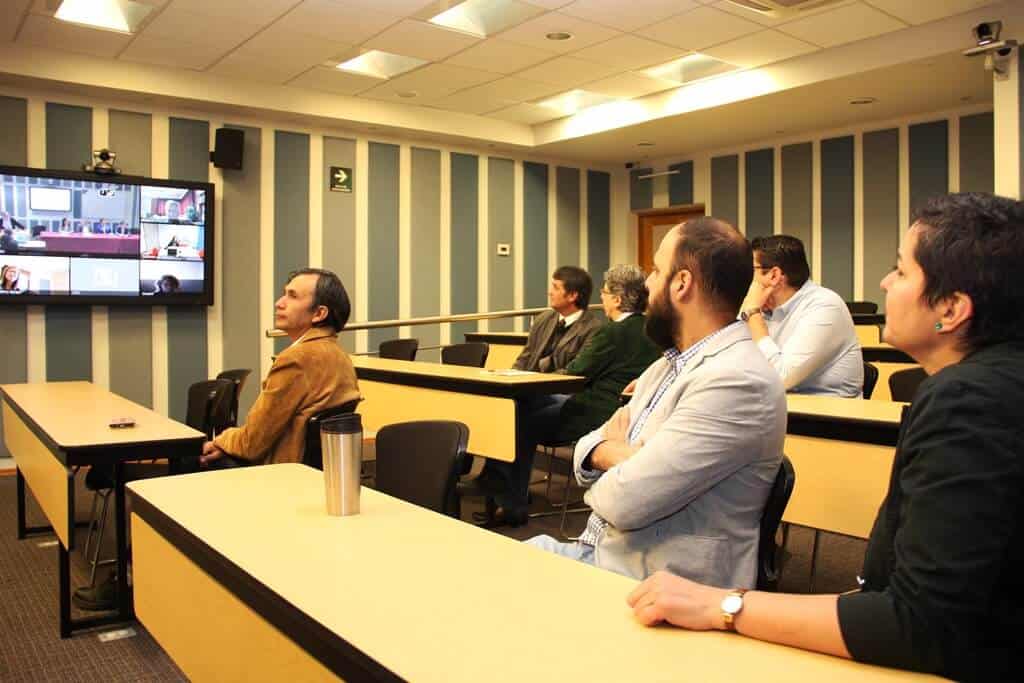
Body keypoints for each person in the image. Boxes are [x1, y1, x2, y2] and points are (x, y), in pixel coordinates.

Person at [626, 193, 1024, 682]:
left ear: (952, 308)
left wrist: (723, 605)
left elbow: (922, 623)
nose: (884, 283)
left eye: (900, 271)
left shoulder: (970, 402)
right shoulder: (993, 387)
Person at [527, 217, 786, 585]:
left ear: (682, 283)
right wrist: (615, 453)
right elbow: (587, 450)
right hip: (605, 554)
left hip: (656, 584)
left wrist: (610, 454)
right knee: (488, 564)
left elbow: (626, 501)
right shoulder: (666, 365)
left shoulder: (736, 380)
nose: (647, 284)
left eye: (655, 270)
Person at [476, 265, 660, 526]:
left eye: (605, 293)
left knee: (517, 421)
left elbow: (575, 373)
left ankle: (511, 502)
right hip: (628, 413)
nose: (602, 299)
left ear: (618, 300)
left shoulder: (611, 332)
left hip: (594, 413)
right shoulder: (653, 330)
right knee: (524, 409)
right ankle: (505, 491)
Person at [200, 268, 360, 467]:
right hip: (317, 476)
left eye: (292, 296)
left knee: (204, 456)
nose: (279, 303)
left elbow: (252, 444)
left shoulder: (296, 360)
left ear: (319, 313)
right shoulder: (340, 356)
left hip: (281, 474)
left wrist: (220, 441)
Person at [740, 235, 862, 396]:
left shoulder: (825, 305)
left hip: (828, 416)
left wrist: (753, 314)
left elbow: (778, 378)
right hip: (779, 408)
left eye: (750, 269)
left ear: (774, 275)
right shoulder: (764, 306)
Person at [512, 265, 602, 373]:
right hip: (529, 384)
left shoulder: (593, 329)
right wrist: (511, 378)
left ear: (572, 296)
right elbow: (524, 358)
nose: (550, 292)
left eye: (556, 288)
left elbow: (575, 371)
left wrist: (540, 381)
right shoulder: (543, 319)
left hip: (561, 387)